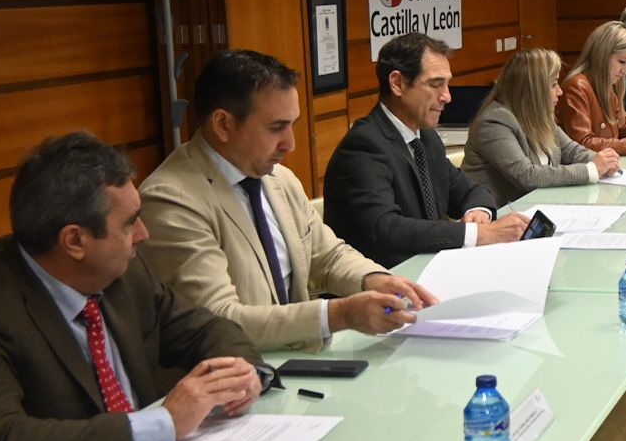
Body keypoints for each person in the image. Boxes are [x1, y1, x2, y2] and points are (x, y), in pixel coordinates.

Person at [0, 133, 262, 441]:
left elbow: (210, 328)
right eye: (130, 224)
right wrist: (164, 423)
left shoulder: (124, 276)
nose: (144, 234)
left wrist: (237, 373)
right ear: (75, 241)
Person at [139, 50, 435, 355]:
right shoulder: (172, 201)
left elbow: (328, 256)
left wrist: (373, 280)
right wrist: (338, 315)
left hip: (296, 361)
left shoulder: (277, 178)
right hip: (233, 378)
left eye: (292, 124)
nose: (290, 144)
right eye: (276, 127)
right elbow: (218, 319)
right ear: (223, 124)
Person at [323, 33, 528, 265]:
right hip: (383, 286)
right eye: (435, 84)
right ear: (397, 83)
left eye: (447, 83)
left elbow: (470, 191)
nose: (447, 96)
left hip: (430, 270)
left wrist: (478, 213)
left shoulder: (426, 138)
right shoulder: (364, 146)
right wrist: (478, 235)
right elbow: (387, 228)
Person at [464, 47, 620, 203]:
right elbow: (526, 176)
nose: (560, 91)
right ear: (533, 90)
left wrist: (604, 161)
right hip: (499, 218)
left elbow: (572, 151)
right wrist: (591, 170)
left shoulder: (538, 116)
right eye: (553, 85)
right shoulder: (494, 123)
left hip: (539, 208)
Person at [559, 22, 626, 158]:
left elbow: (624, 124)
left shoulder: (606, 83)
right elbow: (583, 144)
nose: (625, 71)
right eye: (622, 62)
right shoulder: (577, 86)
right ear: (603, 56)